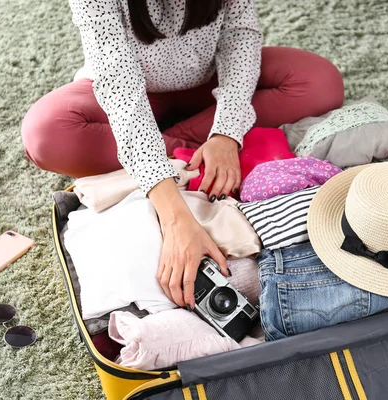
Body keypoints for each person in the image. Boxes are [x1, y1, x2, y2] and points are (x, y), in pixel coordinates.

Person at [21, 0, 344, 310]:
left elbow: (240, 36)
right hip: (130, 92)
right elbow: (119, 87)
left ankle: (174, 145)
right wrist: (176, 219)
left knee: (319, 81)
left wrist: (226, 134)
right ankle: (179, 149)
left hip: (208, 82)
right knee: (46, 136)